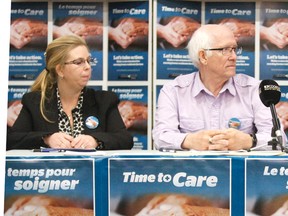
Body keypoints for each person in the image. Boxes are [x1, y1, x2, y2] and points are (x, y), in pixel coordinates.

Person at [152, 24, 287, 151]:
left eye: (234, 49)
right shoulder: (174, 91)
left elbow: (280, 140)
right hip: (192, 173)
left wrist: (249, 140)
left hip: (241, 172)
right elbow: (160, 137)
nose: (234, 57)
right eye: (225, 50)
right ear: (203, 56)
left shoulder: (254, 90)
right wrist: (189, 140)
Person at [7, 35, 133, 150]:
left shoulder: (104, 101)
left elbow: (125, 140)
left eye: (88, 60)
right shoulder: (35, 102)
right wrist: (46, 139)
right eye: (79, 62)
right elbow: (12, 140)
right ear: (60, 70)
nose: (88, 66)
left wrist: (95, 141)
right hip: (51, 173)